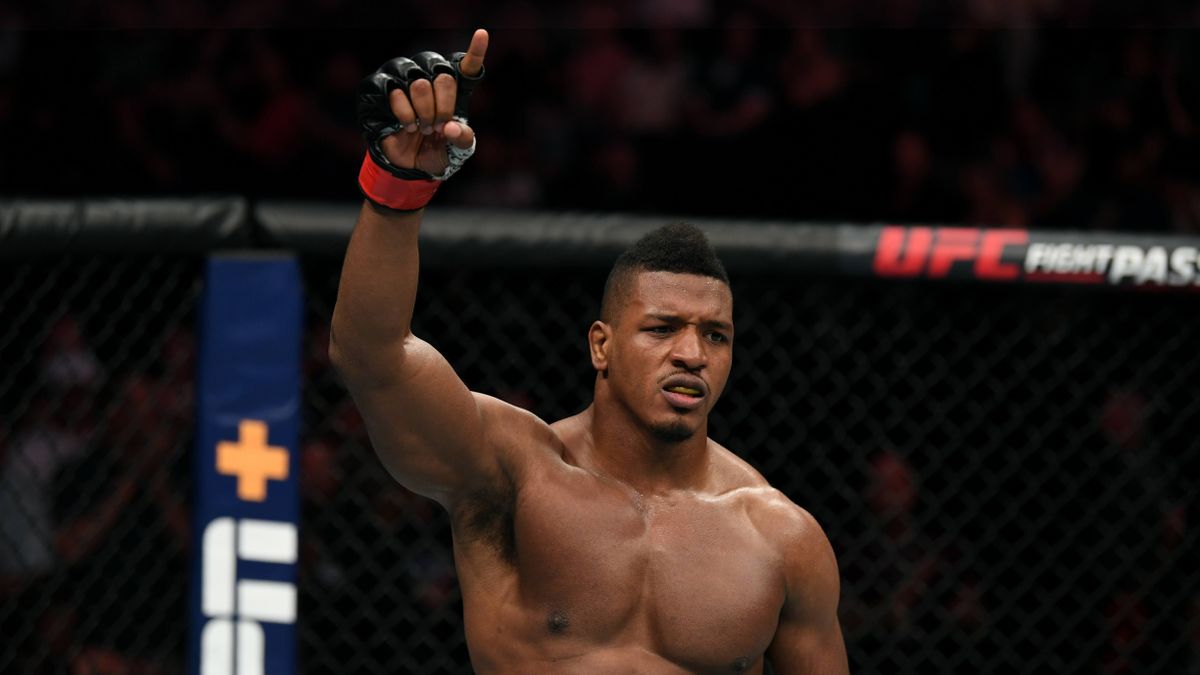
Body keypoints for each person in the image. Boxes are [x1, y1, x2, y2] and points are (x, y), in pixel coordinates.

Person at [330, 28, 849, 674]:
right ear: (600, 346)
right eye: (662, 328)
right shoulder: (514, 473)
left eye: (715, 335)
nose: (692, 352)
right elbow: (370, 357)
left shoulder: (780, 537)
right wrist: (397, 184)